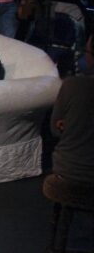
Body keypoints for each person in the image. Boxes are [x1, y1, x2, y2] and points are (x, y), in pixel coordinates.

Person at [41, 30, 94, 203]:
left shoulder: (72, 85)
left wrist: (71, 124)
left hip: (70, 173)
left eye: (87, 51)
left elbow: (55, 130)